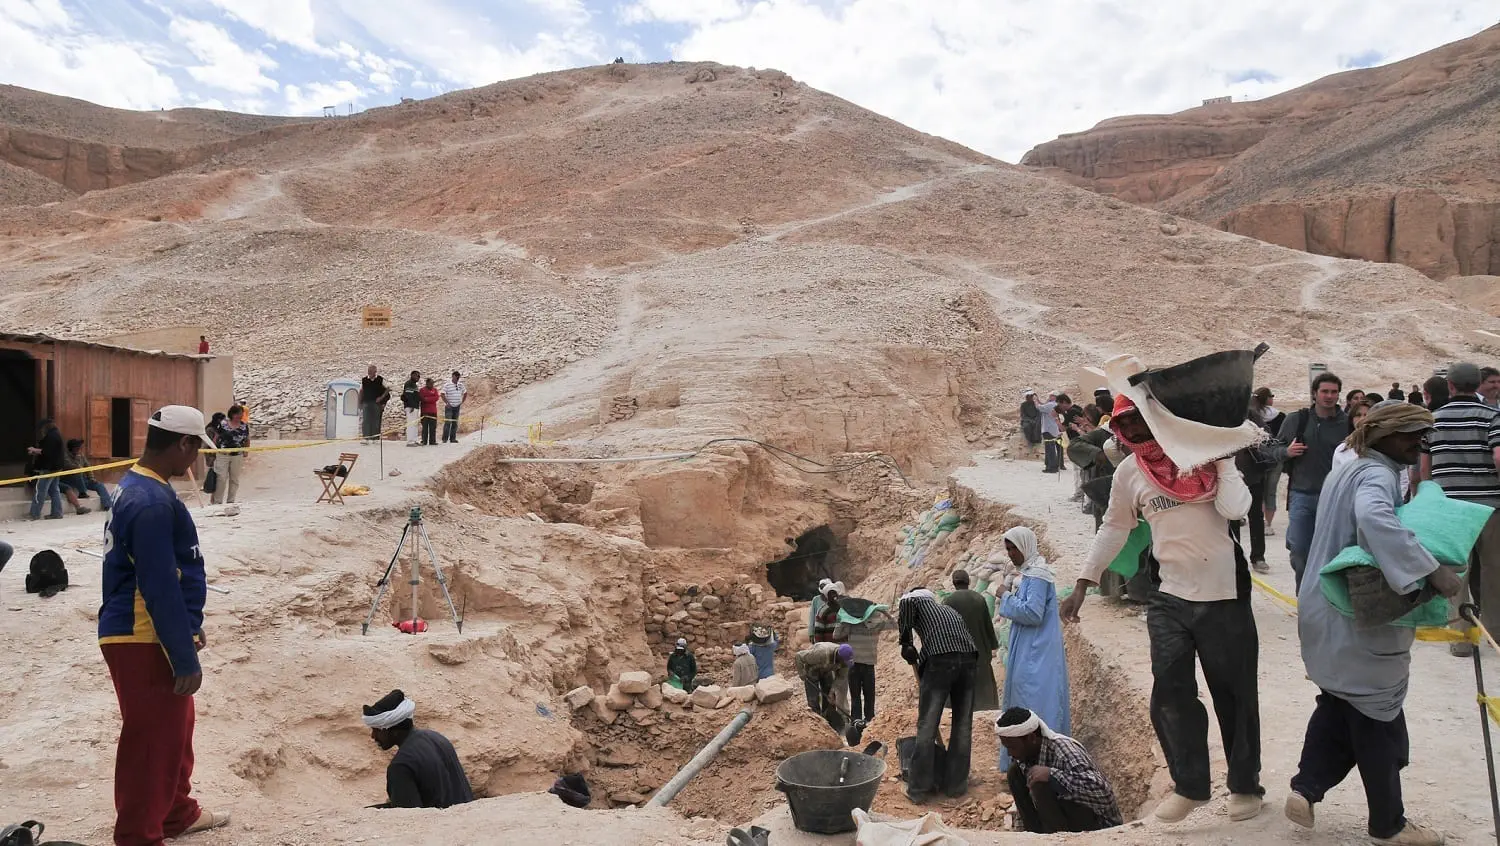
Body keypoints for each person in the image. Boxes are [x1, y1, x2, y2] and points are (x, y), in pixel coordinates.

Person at [1061, 393, 1262, 823]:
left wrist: (1224, 460)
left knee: (1235, 695)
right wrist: (1083, 583)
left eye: (1139, 421)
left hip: (1224, 594)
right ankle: (1190, 786)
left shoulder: (1203, 457)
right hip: (1169, 596)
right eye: (1124, 425)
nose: (1133, 431)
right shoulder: (1130, 473)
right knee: (1170, 693)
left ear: (1156, 418)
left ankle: (1245, 784)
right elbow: (1114, 527)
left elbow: (1236, 509)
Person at [1288, 401, 1459, 846]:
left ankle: (1306, 787)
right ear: (1382, 434)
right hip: (1351, 614)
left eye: (1423, 436)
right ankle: (1389, 824)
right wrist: (1430, 570)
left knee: (1340, 702)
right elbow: (1374, 518)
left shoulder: (1350, 466)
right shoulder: (1376, 475)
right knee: (1377, 717)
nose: (1418, 444)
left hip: (1323, 606)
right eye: (1409, 435)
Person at [99, 406, 228, 845]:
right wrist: (183, 652)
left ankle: (175, 812)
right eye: (196, 449)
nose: (195, 461)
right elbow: (158, 585)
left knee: (175, 730)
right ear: (183, 443)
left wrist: (189, 625)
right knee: (151, 743)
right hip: (143, 635)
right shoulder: (152, 502)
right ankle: (139, 835)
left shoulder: (136, 486)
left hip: (150, 630)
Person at [1418, 362, 1500, 657]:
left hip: (1451, 509)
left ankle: (1461, 637)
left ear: (1450, 386)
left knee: (1457, 574)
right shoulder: (1493, 416)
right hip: (1490, 508)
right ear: (1477, 385)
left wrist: (1429, 500)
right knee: (1494, 573)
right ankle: (1495, 634)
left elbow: (1424, 467)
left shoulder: (1432, 420)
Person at [994, 527, 1069, 771]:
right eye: (1008, 549)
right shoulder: (1029, 573)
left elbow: (1032, 613)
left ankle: (1040, 764)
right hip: (1030, 647)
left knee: (1036, 702)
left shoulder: (1037, 575)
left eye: (1014, 548)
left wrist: (1005, 596)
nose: (1011, 554)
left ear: (1025, 546)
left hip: (1036, 653)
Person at [898, 587, 978, 803]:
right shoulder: (948, 611)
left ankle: (918, 789)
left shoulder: (912, 601)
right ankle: (956, 786)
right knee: (962, 726)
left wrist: (905, 643)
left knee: (928, 725)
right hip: (969, 660)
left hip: (941, 660)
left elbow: (905, 606)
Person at [1277, 372, 1352, 590]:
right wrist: (1286, 452)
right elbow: (1269, 449)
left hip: (1337, 498)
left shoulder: (1348, 424)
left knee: (1334, 553)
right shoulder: (1296, 420)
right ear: (1314, 394)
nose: (1329, 396)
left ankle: (1328, 601)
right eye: (1324, 391)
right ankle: (1305, 598)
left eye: (1334, 392)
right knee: (1300, 551)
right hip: (1302, 495)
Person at [995, 707, 1121, 833]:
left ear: (1031, 738)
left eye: (1012, 747)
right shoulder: (1023, 758)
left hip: (1097, 826)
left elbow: (1104, 793)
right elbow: (1024, 807)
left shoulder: (1064, 751)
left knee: (1040, 783)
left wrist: (1052, 775)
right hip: (1059, 823)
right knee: (1014, 773)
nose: (1009, 753)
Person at [363, 689, 474, 809]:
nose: (373, 736)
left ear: (392, 730)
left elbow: (408, 817)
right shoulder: (436, 738)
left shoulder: (400, 765)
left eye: (376, 730)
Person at [942, 570, 1000, 712]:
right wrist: (993, 644)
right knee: (982, 682)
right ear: (968, 582)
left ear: (954, 583)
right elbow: (988, 624)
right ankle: (985, 707)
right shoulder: (979, 598)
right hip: (980, 652)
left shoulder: (948, 601)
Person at [832, 601, 892, 727]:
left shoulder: (876, 625)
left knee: (866, 695)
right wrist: (841, 619)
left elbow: (895, 625)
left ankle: (868, 720)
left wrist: (883, 611)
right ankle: (858, 722)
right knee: (858, 695)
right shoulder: (853, 624)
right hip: (855, 664)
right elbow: (836, 635)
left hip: (867, 664)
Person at [27, 418, 79, 520]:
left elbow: (46, 452)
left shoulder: (51, 436)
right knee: (54, 490)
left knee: (40, 491)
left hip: (49, 468)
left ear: (46, 426)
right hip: (56, 467)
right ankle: (57, 512)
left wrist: (34, 450)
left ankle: (35, 513)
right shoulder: (56, 435)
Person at [1251, 387, 1286, 536]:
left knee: (1257, 490)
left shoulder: (1251, 416)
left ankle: (1257, 520)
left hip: (1255, 459)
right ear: (1267, 399)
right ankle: (1268, 524)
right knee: (1270, 491)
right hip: (1275, 458)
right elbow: (1284, 437)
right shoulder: (1280, 416)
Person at [796, 641, 854, 723]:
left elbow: (841, 677)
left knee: (829, 697)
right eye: (844, 661)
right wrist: (802, 674)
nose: (845, 663)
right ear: (839, 656)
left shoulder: (846, 662)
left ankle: (828, 720)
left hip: (827, 671)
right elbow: (799, 656)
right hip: (812, 670)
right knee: (813, 698)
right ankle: (816, 721)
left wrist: (832, 690)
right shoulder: (821, 653)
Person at [61, 438, 113, 511]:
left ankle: (107, 505)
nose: (79, 449)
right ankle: (82, 492)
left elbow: (88, 467)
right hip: (69, 479)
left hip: (82, 479)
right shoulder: (65, 456)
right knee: (78, 473)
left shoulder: (81, 456)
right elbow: (72, 467)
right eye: (77, 448)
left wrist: (92, 478)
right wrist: (77, 460)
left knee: (99, 485)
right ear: (72, 448)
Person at [211, 405, 249, 505]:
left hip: (237, 455)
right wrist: (214, 450)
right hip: (222, 454)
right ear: (232, 414)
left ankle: (231, 501)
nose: (240, 416)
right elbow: (216, 437)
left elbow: (247, 439)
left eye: (241, 414)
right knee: (221, 478)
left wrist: (246, 451)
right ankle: (217, 502)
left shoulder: (244, 426)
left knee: (234, 479)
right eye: (238, 414)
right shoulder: (223, 424)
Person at [359, 365, 391, 442]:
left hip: (376, 403)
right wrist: (359, 402)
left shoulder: (380, 379)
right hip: (366, 402)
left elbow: (388, 388)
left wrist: (381, 397)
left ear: (375, 371)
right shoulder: (364, 380)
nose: (369, 372)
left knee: (376, 420)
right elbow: (361, 391)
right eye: (368, 371)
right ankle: (366, 438)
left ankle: (375, 438)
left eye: (371, 371)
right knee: (366, 420)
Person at [1038, 392, 1062, 473]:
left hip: (1048, 429)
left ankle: (1052, 467)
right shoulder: (1055, 405)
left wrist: (1034, 400)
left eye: (1051, 396)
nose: (1049, 397)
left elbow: (1039, 408)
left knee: (1050, 448)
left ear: (1054, 397)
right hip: (1053, 429)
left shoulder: (1051, 405)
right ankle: (1051, 465)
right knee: (1051, 448)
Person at [440, 371, 467, 444]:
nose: (457, 378)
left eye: (458, 376)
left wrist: (462, 401)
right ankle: (444, 439)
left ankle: (453, 438)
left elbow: (465, 392)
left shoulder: (460, 385)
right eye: (456, 376)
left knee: (455, 423)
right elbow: (442, 394)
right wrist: (447, 403)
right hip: (449, 407)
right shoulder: (447, 385)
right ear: (453, 376)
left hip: (457, 406)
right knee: (448, 422)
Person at [401, 371, 422, 447]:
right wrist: (412, 406)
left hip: (415, 406)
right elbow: (408, 396)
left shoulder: (414, 385)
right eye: (417, 376)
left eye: (419, 376)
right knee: (411, 423)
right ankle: (410, 441)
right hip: (411, 407)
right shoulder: (408, 383)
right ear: (412, 375)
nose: (418, 378)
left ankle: (414, 440)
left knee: (415, 424)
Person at [1020, 390, 1042, 458]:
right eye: (1027, 397)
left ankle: (1036, 442)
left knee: (1037, 426)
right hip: (1027, 420)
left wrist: (1035, 420)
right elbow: (1023, 415)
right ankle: (1029, 441)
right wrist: (1029, 420)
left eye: (1029, 397)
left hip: (1036, 419)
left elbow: (1039, 413)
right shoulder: (1023, 405)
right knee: (1026, 427)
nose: (1028, 398)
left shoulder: (1036, 404)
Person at [418, 378, 440, 446]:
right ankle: (424, 441)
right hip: (425, 411)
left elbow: (436, 398)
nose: (432, 385)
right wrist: (430, 399)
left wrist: (428, 398)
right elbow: (422, 399)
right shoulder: (422, 390)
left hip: (433, 411)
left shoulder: (435, 390)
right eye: (431, 383)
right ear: (427, 383)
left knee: (433, 427)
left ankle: (432, 441)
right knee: (425, 427)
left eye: (433, 383)